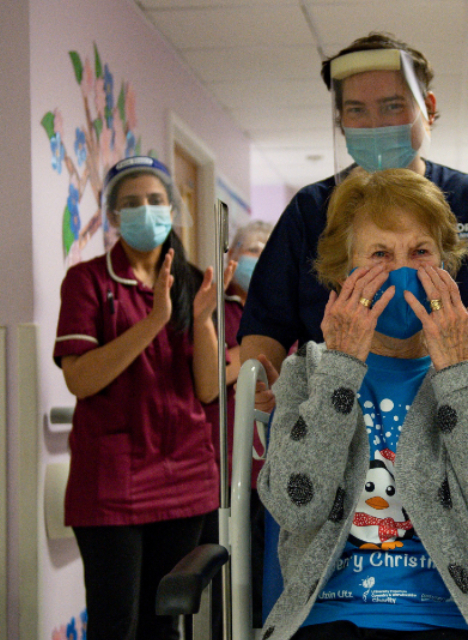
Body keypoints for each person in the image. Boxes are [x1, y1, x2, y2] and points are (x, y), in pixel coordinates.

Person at [256, 169, 468, 640]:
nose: (402, 272)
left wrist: (457, 374)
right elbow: (295, 508)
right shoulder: (308, 372)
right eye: (379, 255)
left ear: (446, 267)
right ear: (342, 273)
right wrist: (341, 367)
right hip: (331, 617)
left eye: (421, 252)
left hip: (461, 619)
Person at [239, 32, 468, 414]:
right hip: (338, 417)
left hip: (458, 411)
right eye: (357, 110)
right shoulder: (310, 210)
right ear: (340, 119)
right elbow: (266, 324)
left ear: (427, 107)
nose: (375, 125)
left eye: (392, 106)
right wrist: (258, 388)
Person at [53, 156, 229, 640]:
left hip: (185, 478)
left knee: (163, 624)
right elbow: (80, 380)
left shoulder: (192, 279)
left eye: (155, 200)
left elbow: (208, 389)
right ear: (113, 216)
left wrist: (202, 320)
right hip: (112, 484)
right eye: (131, 203)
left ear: (172, 208)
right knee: (115, 623)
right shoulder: (89, 282)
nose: (145, 210)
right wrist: (154, 322)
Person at [200, 219, 274, 630]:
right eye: (252, 249)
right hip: (228, 474)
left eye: (268, 250)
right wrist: (250, 360)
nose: (260, 258)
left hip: (275, 472)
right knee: (229, 599)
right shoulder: (218, 311)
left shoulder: (281, 313)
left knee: (265, 593)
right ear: (233, 256)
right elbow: (211, 380)